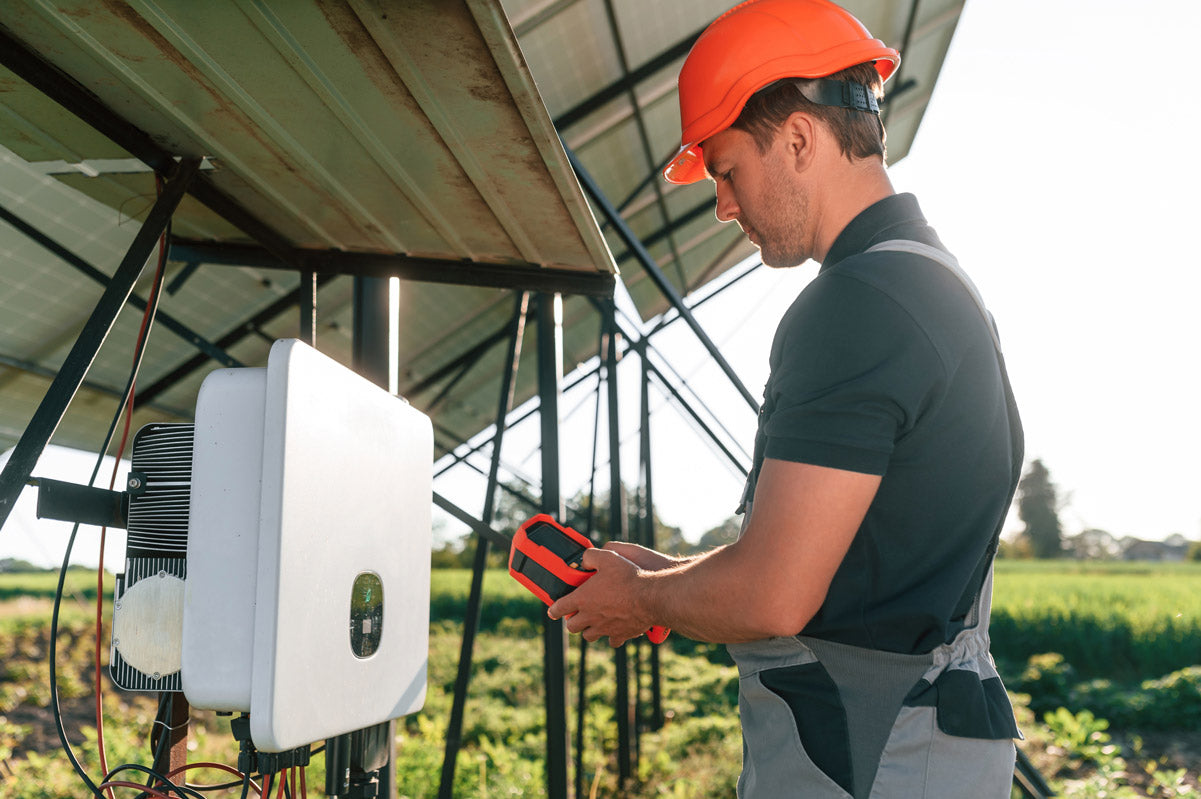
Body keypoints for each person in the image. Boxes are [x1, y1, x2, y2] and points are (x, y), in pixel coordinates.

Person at [547, 1, 1024, 797]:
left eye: (727, 170)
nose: (722, 206)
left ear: (798, 139)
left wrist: (639, 597)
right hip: (918, 746)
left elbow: (774, 592)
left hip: (870, 760)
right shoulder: (935, 286)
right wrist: (666, 575)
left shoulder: (859, 304)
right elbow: (854, 572)